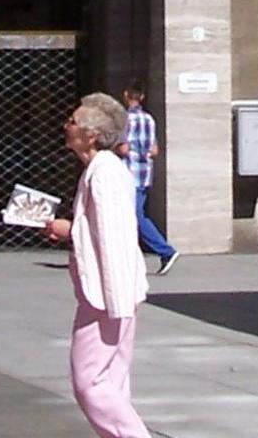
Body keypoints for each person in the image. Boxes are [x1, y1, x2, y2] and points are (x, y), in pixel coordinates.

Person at [45, 94, 151, 438]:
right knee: (113, 382)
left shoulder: (104, 172)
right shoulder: (102, 169)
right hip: (113, 293)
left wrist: (70, 230)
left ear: (91, 134)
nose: (67, 125)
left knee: (90, 383)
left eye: (74, 122)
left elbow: (112, 233)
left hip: (105, 296)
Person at [118, 83, 176, 275]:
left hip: (128, 172)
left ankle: (165, 250)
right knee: (135, 214)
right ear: (142, 97)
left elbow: (123, 148)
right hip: (144, 174)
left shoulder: (125, 119)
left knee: (134, 216)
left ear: (126, 95)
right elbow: (155, 150)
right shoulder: (149, 119)